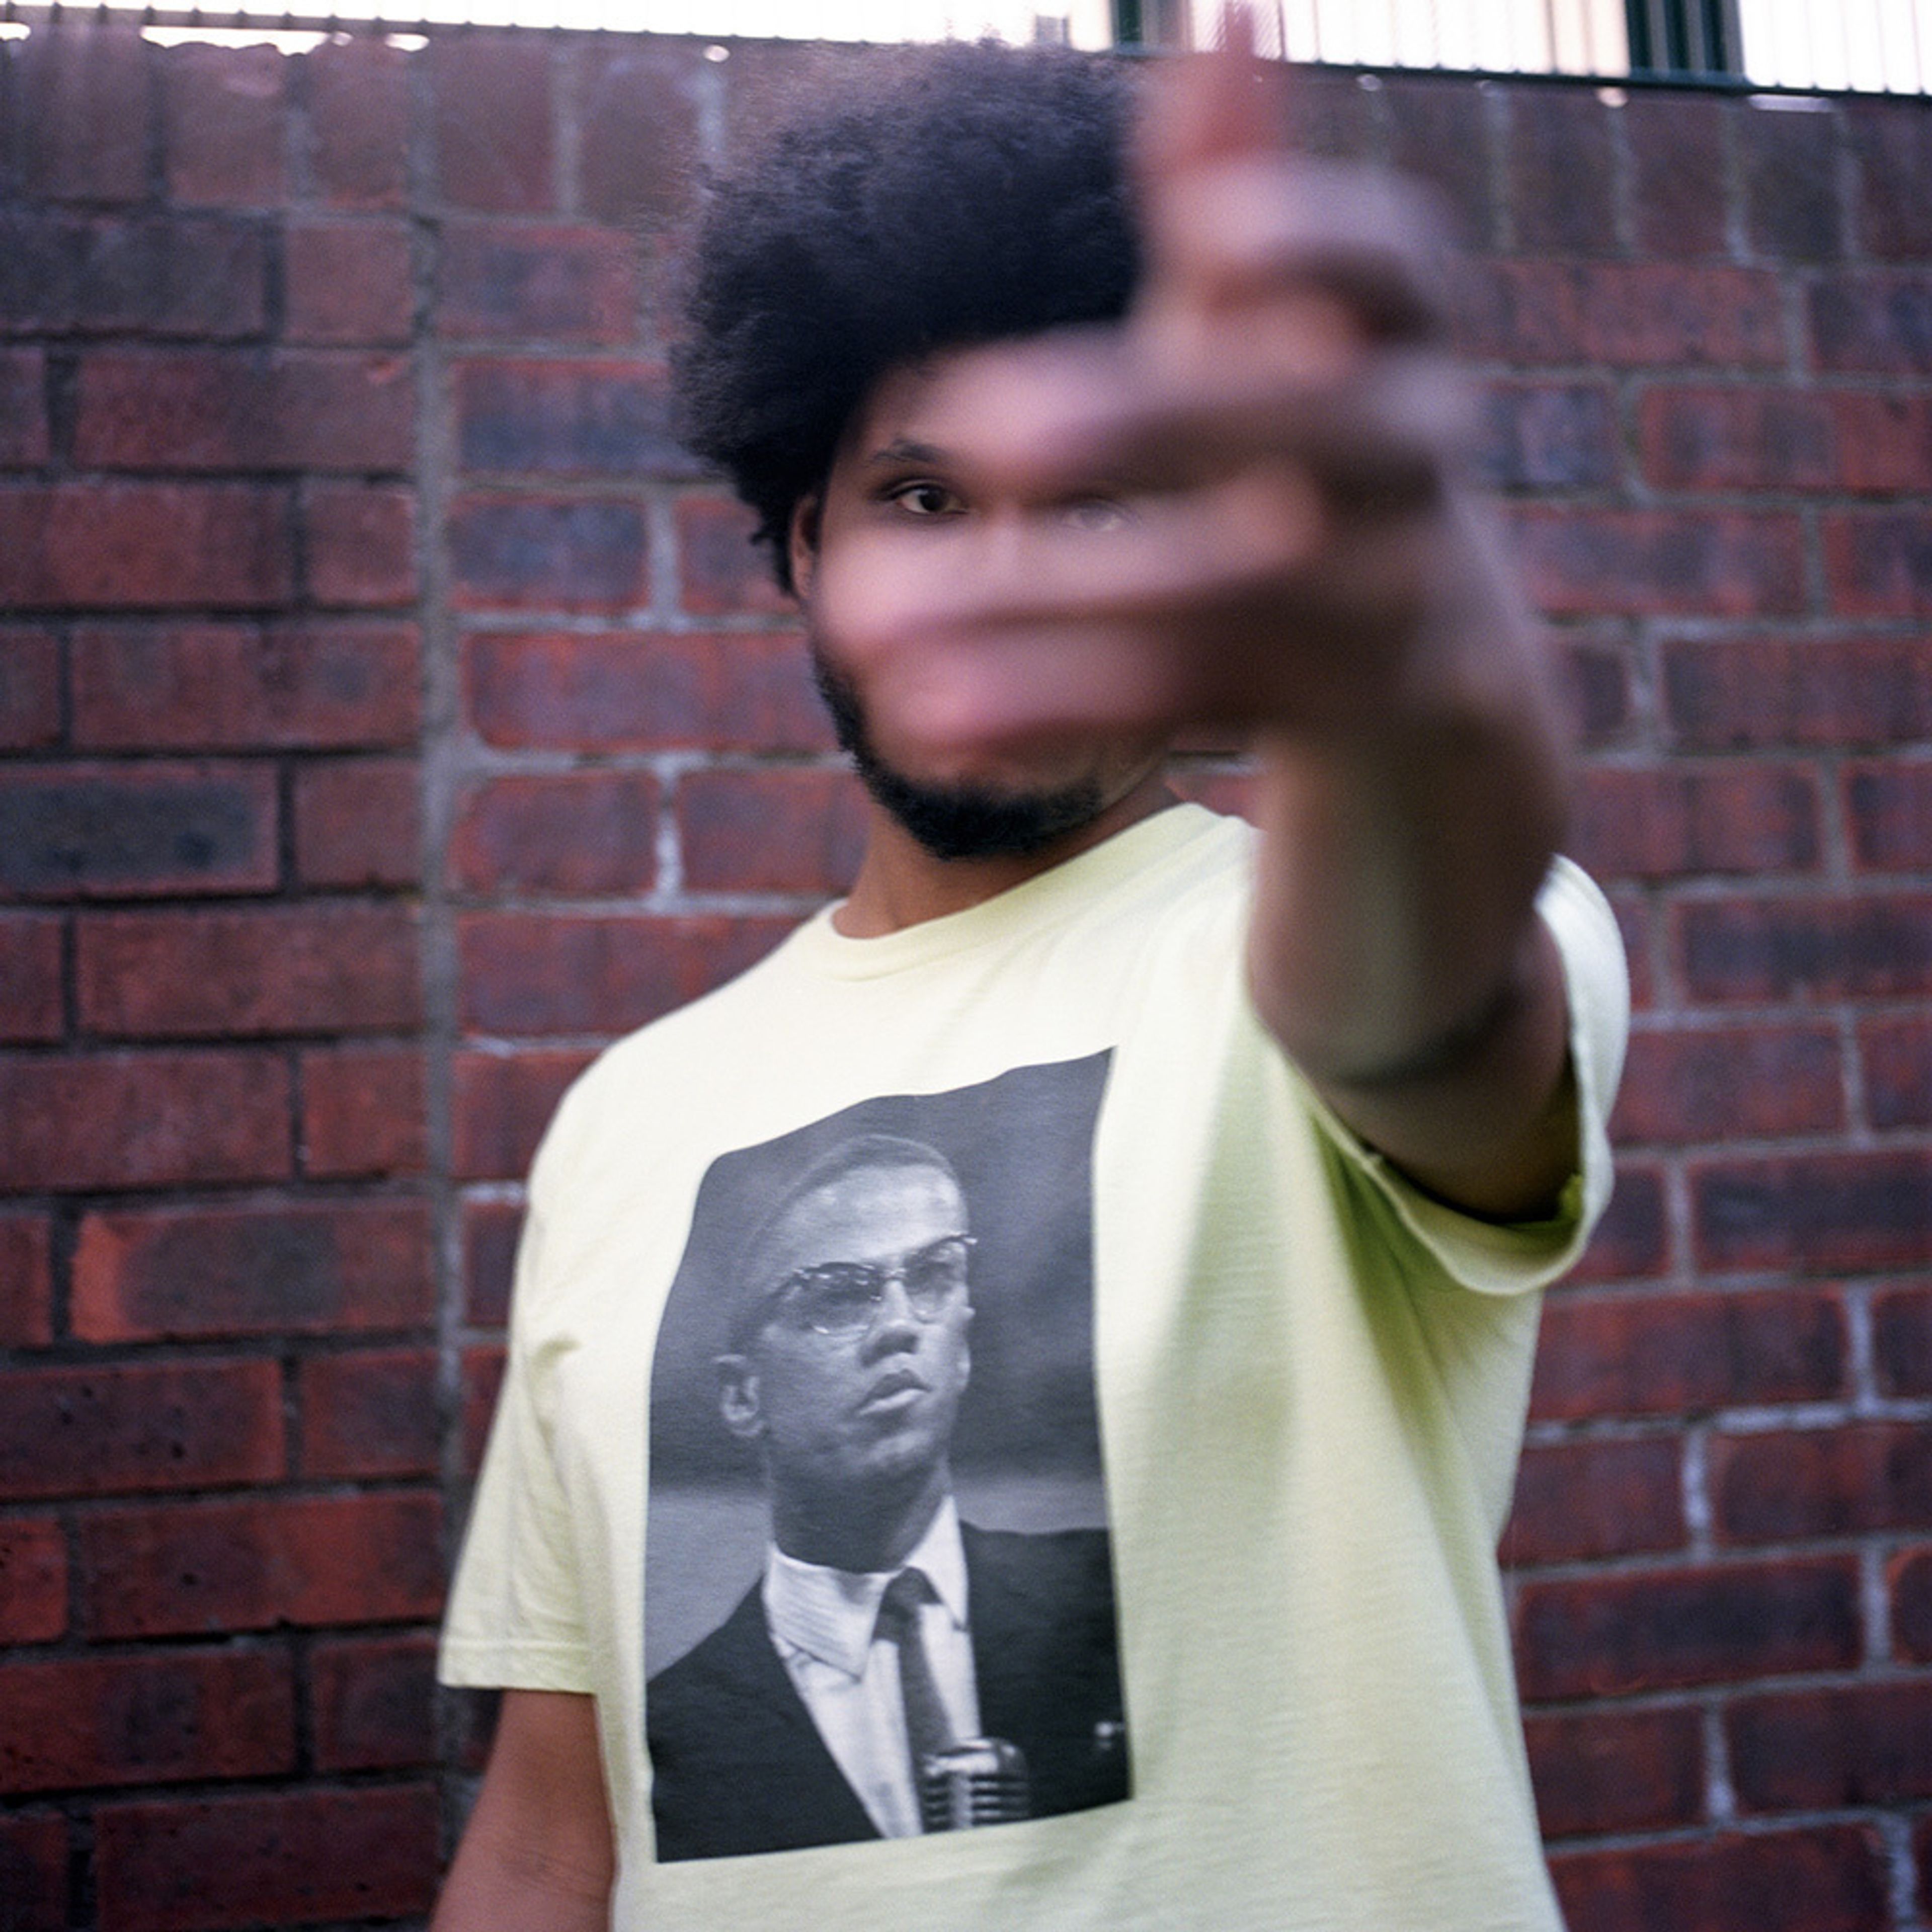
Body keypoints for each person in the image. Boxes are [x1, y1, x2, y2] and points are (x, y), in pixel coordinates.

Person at [433, 21, 1629, 1932]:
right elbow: (551, 1829)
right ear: (804, 547)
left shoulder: (1383, 925)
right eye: (922, 499)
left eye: (1098, 498)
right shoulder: (624, 1123)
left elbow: (1416, 1005)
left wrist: (1395, 672)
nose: (1009, 569)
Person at [644, 1133, 1129, 1861]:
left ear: (963, 1345)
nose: (902, 1325)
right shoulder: (676, 1727)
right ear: (745, 1395)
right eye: (839, 1295)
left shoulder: (1111, 1600)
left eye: (934, 1276)